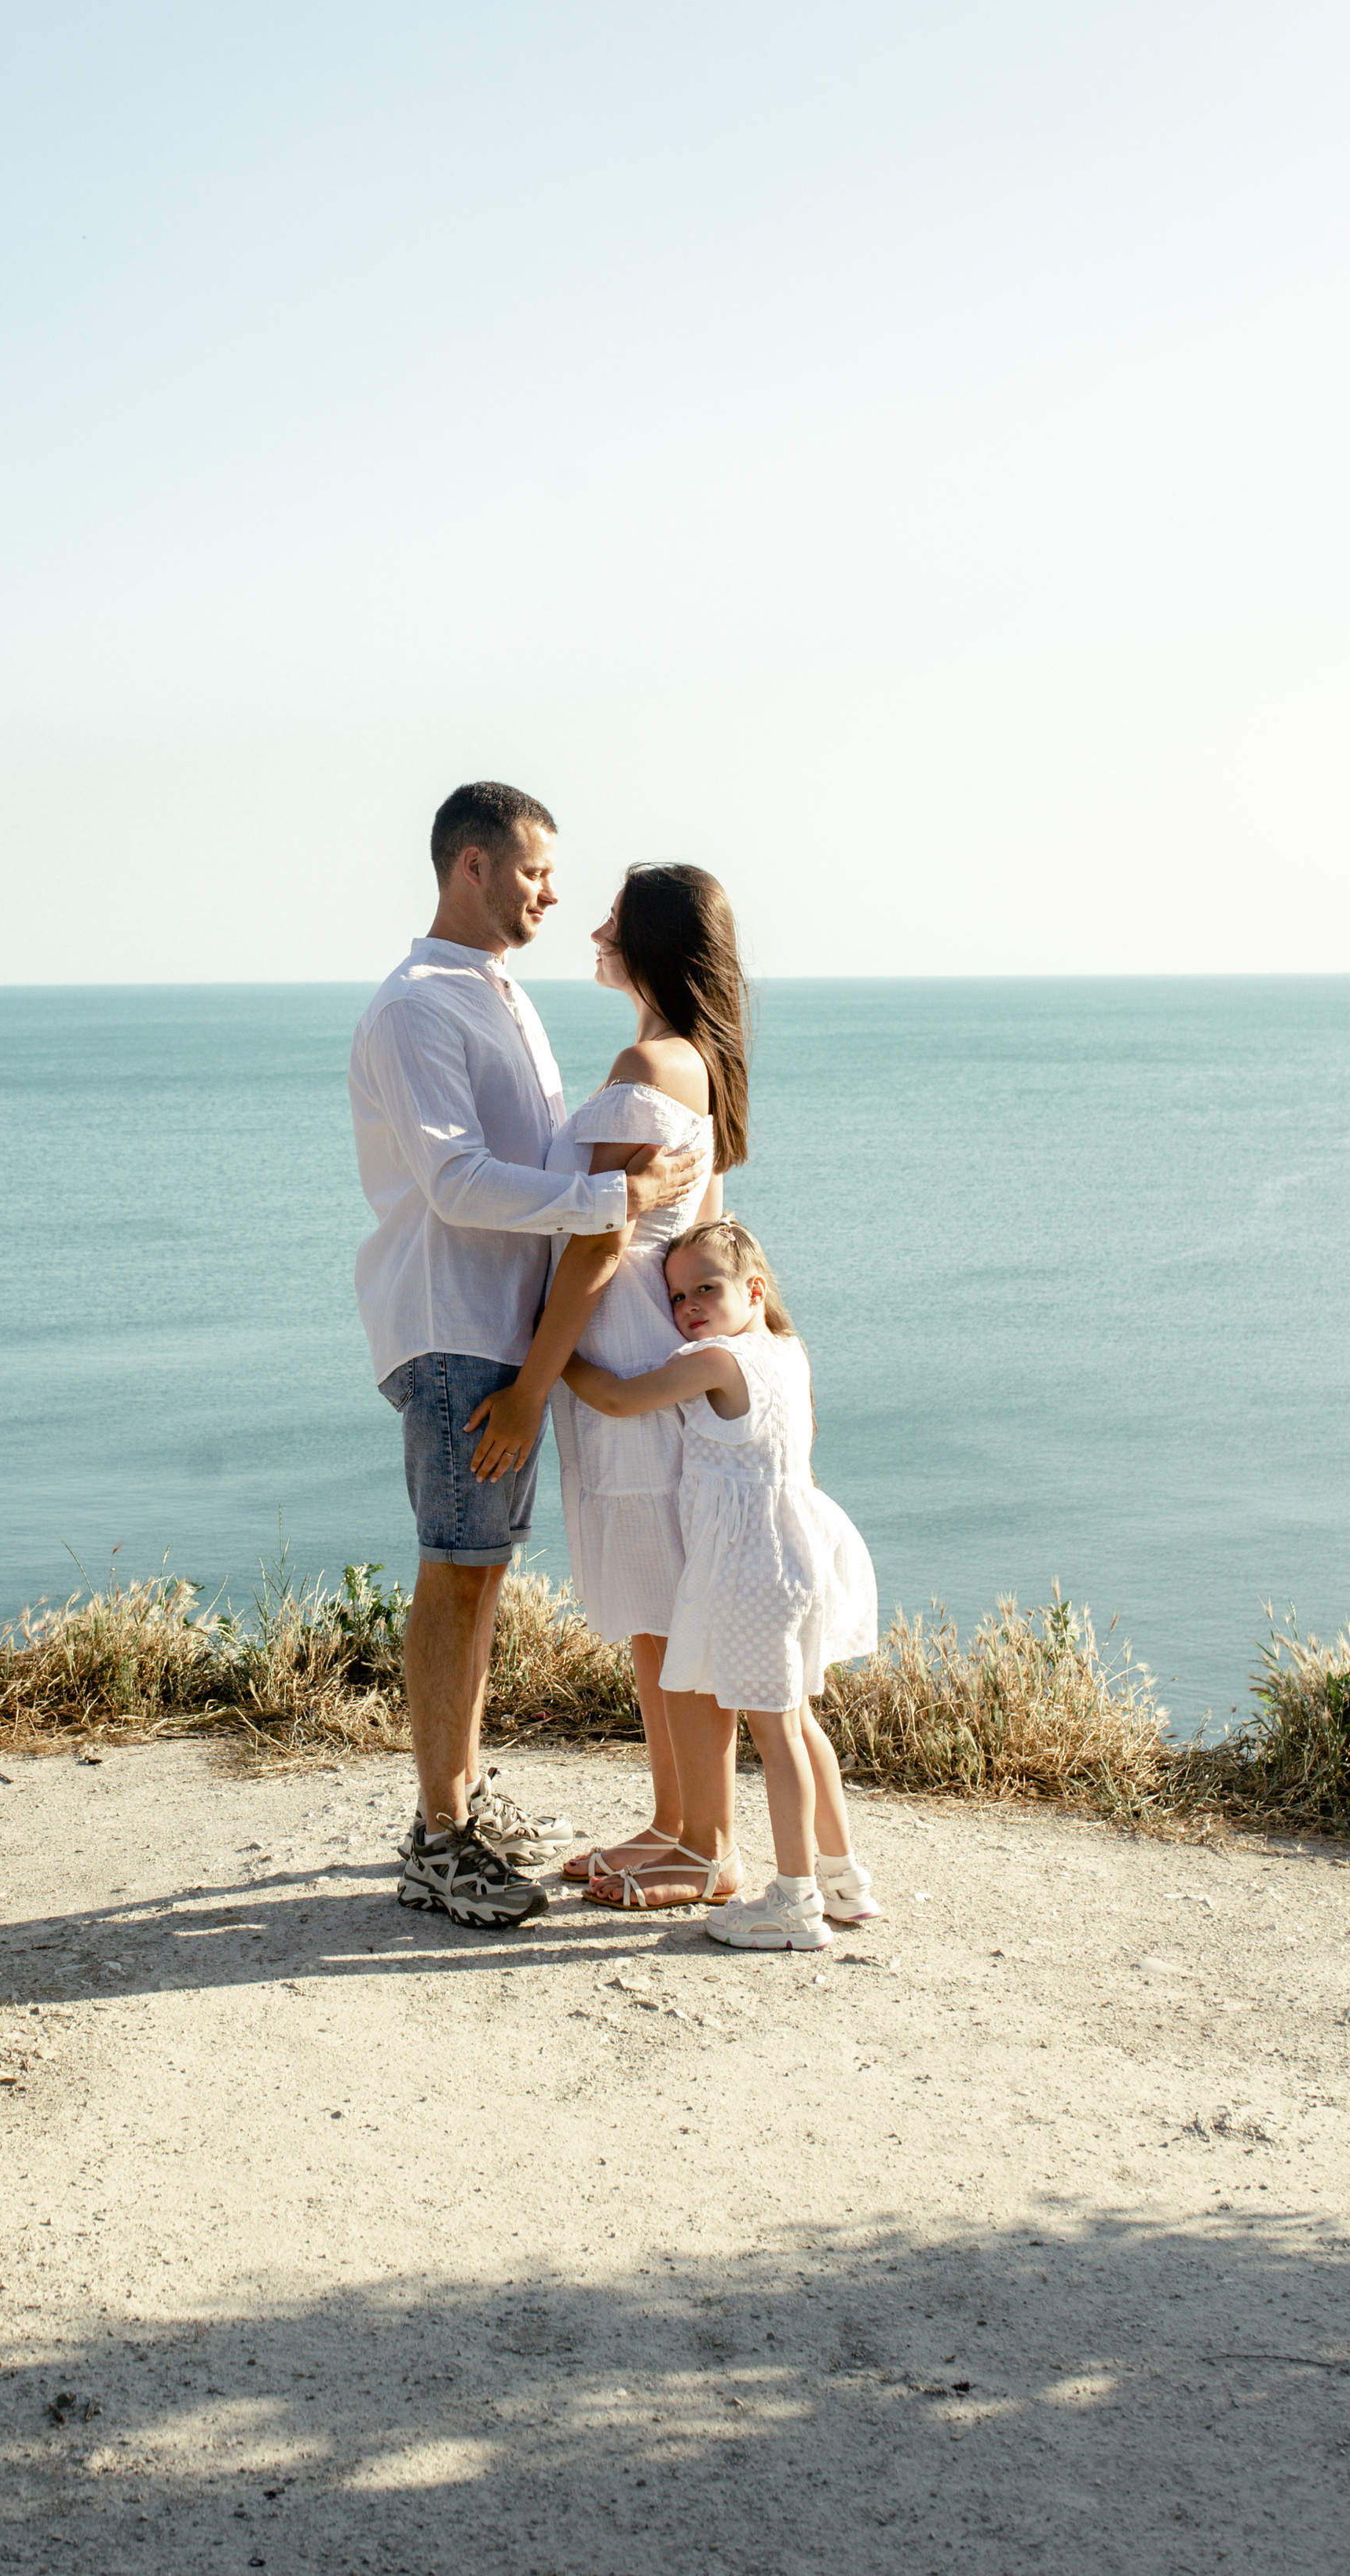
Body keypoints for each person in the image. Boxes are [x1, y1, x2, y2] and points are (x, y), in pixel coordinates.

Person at [350, 784, 704, 1930]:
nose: (553, 892)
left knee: (483, 1570)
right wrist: (617, 1194)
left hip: (502, 1338)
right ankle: (436, 1839)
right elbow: (454, 1182)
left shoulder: (501, 997)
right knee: (457, 1568)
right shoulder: (417, 1009)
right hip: (453, 1324)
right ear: (472, 867)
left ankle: (457, 1806)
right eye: (537, 871)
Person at [465, 862, 747, 1909]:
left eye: (615, 919)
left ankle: (709, 1846)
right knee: (651, 1604)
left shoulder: (650, 1060)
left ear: (656, 941)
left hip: (619, 1356)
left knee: (670, 1611)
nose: (592, 928)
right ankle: (676, 1823)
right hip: (634, 1356)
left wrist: (534, 1386)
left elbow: (597, 1243)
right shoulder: (691, 1062)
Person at [561, 1215, 883, 1950]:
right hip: (802, 1549)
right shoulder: (787, 1353)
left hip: (755, 1566)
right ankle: (845, 1881)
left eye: (706, 1288)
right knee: (798, 1721)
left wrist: (551, 1355)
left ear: (754, 1289)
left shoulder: (717, 1361)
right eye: (676, 1297)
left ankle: (795, 1904)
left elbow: (615, 1399)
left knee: (775, 1735)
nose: (689, 1309)